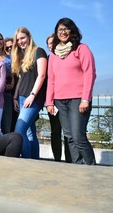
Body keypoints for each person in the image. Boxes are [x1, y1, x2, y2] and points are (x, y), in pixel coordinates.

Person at [46, 18, 96, 165]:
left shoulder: (81, 49)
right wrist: (49, 101)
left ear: (72, 31)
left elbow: (90, 73)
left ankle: (91, 167)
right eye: (60, 30)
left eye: (66, 29)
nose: (63, 32)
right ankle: (78, 167)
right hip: (60, 101)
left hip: (78, 100)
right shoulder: (54, 55)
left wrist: (85, 98)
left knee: (78, 136)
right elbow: (51, 79)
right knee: (69, 137)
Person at [12, 27, 48, 159]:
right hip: (22, 97)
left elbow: (42, 75)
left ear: (29, 37)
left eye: (23, 38)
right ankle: (35, 161)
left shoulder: (39, 51)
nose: (20, 42)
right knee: (30, 133)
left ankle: (26, 161)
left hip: (33, 98)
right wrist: (16, 97)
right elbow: (21, 79)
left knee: (19, 130)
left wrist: (32, 95)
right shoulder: (22, 56)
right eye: (18, 40)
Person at [46, 33, 71, 163]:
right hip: (52, 102)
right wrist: (48, 102)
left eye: (53, 42)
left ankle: (69, 160)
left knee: (68, 133)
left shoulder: (67, 56)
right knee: (55, 131)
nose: (51, 45)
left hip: (66, 100)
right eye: (49, 44)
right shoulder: (48, 59)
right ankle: (57, 160)